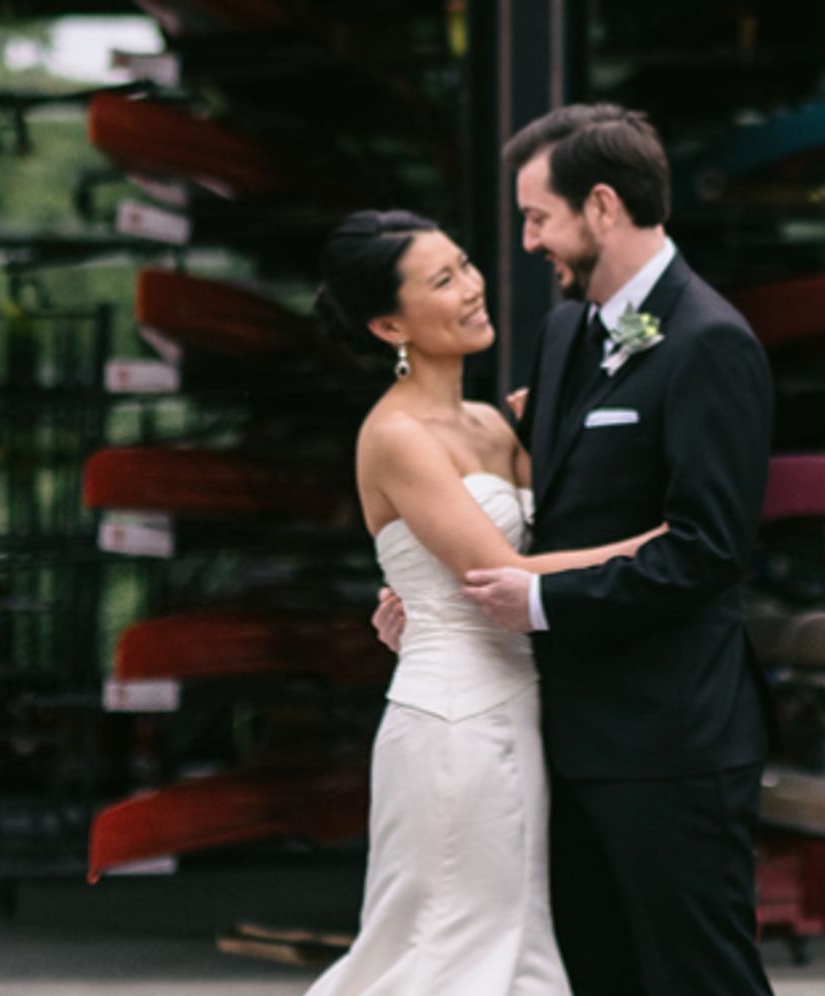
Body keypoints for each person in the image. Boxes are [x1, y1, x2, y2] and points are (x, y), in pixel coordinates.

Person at [380, 103, 780, 996]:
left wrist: (536, 602)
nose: (526, 243)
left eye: (537, 218)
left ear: (602, 206)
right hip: (559, 737)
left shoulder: (714, 343)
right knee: (598, 978)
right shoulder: (567, 332)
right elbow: (536, 500)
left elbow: (709, 550)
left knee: (701, 978)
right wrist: (435, 588)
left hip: (670, 743)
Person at [310, 210, 663, 996]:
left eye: (465, 265)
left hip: (521, 713)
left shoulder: (492, 421)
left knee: (511, 945)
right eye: (443, 281)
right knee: (446, 951)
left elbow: (559, 523)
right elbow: (506, 573)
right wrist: (663, 546)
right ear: (387, 324)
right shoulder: (397, 436)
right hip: (453, 728)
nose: (473, 289)